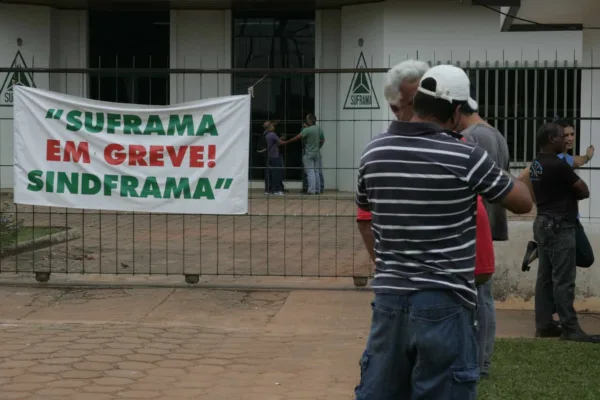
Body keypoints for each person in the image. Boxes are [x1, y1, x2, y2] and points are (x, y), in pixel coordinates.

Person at [354, 64, 533, 399]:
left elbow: (367, 212)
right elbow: (522, 203)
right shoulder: (465, 155)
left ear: (416, 100)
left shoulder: (373, 152)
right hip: (444, 300)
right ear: (455, 110)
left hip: (389, 300)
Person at [525, 122, 599, 342]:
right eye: (561, 136)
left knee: (546, 277)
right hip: (560, 225)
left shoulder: (537, 163)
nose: (565, 140)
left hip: (544, 222)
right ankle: (570, 328)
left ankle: (545, 324)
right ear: (551, 140)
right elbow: (583, 191)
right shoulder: (558, 165)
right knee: (563, 278)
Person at [457, 91, 510, 379]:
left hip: (476, 224)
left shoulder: (474, 135)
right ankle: (479, 361)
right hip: (486, 221)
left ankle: (480, 363)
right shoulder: (494, 133)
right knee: (481, 294)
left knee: (480, 296)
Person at [356, 59, 430, 259]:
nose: (428, 107)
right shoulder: (375, 154)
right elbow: (365, 220)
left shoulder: (458, 148)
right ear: (394, 107)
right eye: (417, 102)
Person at [521, 119, 595, 272]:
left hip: (570, 218)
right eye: (564, 135)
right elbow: (524, 177)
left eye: (572, 134)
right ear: (554, 138)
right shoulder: (551, 161)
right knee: (583, 259)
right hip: (560, 222)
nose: (568, 138)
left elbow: (576, 161)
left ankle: (541, 251)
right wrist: (539, 202)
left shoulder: (565, 159)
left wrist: (587, 157)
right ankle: (542, 252)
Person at [284, 114, 324, 195]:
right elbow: (323, 140)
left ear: (310, 120)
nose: (306, 121)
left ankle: (311, 190)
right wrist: (318, 147)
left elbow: (297, 137)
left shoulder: (307, 130)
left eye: (307, 119)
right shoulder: (319, 129)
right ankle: (317, 190)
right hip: (317, 153)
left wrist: (287, 142)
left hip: (308, 153)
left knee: (310, 172)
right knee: (316, 171)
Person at [262, 121, 285, 196]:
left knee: (268, 174)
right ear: (269, 127)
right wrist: (282, 139)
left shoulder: (264, 134)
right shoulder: (272, 134)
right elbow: (280, 143)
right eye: (272, 126)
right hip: (275, 156)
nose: (274, 127)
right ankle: (276, 190)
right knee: (276, 173)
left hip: (268, 156)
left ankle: (268, 190)